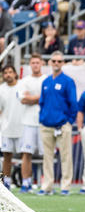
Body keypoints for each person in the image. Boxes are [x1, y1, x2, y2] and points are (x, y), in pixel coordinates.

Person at [38, 51, 78, 196]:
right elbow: (41, 102)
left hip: (62, 125)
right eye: (54, 61)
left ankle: (65, 186)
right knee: (47, 157)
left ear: (63, 63)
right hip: (46, 125)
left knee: (66, 156)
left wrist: (68, 121)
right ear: (50, 62)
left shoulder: (68, 81)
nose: (56, 63)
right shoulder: (46, 81)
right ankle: (47, 185)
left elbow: (73, 104)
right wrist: (41, 119)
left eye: (59, 61)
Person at [17, 54, 47, 193]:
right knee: (26, 153)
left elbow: (48, 99)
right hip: (28, 121)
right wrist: (40, 98)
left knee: (47, 154)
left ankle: (46, 183)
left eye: (38, 62)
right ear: (30, 64)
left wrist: (32, 97)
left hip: (44, 121)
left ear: (42, 64)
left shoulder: (47, 80)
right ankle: (26, 182)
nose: (35, 65)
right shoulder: (24, 81)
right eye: (33, 63)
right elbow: (23, 99)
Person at [0, 66, 24, 190]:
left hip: (22, 127)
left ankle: (26, 183)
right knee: (7, 156)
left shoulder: (22, 86)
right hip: (6, 128)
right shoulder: (1, 89)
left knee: (25, 155)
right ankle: (6, 182)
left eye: (10, 72)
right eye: (5, 73)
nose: (8, 74)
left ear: (15, 74)